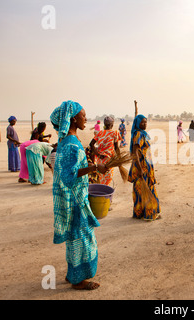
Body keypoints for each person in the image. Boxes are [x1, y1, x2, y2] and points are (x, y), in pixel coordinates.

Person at [50, 100, 107, 290]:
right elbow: (69, 175)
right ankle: (79, 280)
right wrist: (94, 167)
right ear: (73, 119)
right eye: (83, 115)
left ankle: (73, 274)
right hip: (75, 200)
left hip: (75, 198)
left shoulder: (67, 141)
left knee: (75, 238)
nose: (86, 119)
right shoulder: (71, 144)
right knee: (82, 238)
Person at [128, 114, 161, 221]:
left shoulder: (142, 134)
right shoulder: (138, 134)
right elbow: (135, 153)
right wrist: (140, 169)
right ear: (138, 123)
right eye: (142, 122)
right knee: (146, 189)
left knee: (140, 190)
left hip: (145, 166)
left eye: (146, 122)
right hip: (142, 167)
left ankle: (140, 213)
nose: (145, 124)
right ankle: (149, 214)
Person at [89, 116, 120, 186]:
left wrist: (97, 154)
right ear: (112, 124)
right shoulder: (114, 133)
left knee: (100, 178)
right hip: (109, 160)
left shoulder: (99, 133)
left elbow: (91, 144)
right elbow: (116, 148)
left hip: (100, 160)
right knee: (107, 179)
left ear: (104, 124)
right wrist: (119, 158)